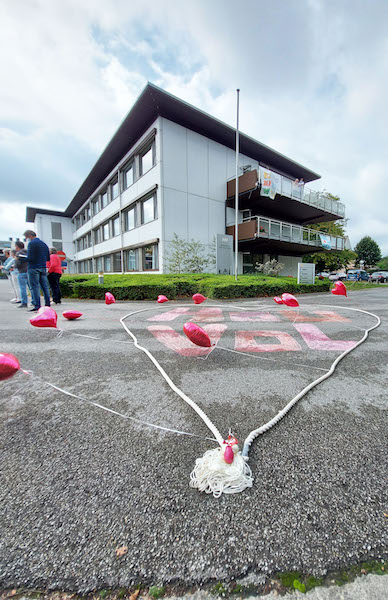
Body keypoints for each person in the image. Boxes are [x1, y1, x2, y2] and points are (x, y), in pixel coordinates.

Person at [23, 230, 51, 311]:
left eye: (26, 237)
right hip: (42, 267)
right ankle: (47, 304)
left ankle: (37, 305)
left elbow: (30, 258)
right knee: (45, 286)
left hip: (34, 267)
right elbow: (48, 258)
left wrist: (22, 259)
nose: (27, 239)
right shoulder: (44, 244)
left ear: (29, 236)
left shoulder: (31, 244)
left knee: (35, 286)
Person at [14, 241, 29, 308]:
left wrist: (14, 266)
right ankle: (34, 302)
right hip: (29, 271)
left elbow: (17, 264)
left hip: (22, 271)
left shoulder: (18, 253)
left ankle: (24, 302)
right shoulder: (28, 252)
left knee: (22, 287)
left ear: (17, 246)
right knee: (31, 288)